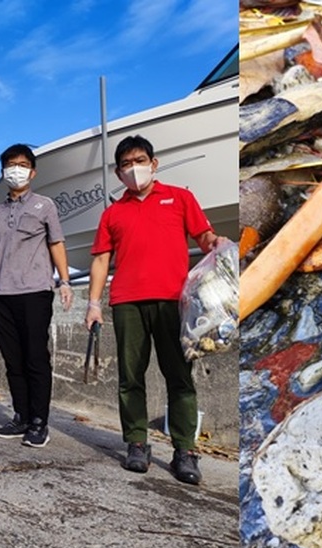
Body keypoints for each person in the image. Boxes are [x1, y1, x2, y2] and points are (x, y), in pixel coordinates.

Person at [84, 135, 222, 485]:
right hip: (127, 302)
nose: (135, 169)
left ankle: (185, 450)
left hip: (175, 301)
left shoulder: (180, 198)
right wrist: (94, 304)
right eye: (127, 164)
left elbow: (203, 236)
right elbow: (101, 260)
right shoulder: (113, 213)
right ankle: (136, 442)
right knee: (131, 378)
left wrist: (216, 242)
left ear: (154, 163)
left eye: (140, 160)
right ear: (118, 173)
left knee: (179, 377)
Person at [0, 143, 73, 448]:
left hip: (35, 293)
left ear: (33, 171)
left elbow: (56, 244)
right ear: (3, 173)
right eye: (11, 165)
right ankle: (21, 416)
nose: (17, 169)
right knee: (13, 361)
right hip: (0, 295)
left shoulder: (45, 206)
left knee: (36, 359)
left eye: (23, 164)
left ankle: (39, 422)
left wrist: (64, 281)